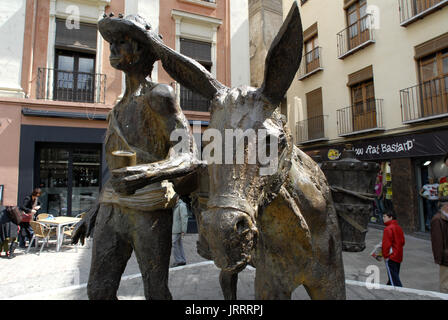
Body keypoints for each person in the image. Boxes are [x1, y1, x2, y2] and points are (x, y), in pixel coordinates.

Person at [71, 14, 201, 300]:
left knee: (155, 291)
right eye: (112, 43)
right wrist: (93, 211)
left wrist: (145, 174)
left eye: (122, 42)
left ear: (142, 50)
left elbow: (187, 156)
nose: (113, 49)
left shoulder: (160, 96)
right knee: (98, 291)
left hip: (148, 208)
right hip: (112, 207)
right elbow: (116, 171)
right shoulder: (116, 108)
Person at [382, 210, 405, 287]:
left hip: (391, 257)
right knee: (393, 275)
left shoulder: (388, 229)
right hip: (398, 255)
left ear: (390, 217)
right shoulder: (398, 227)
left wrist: (385, 256)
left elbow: (386, 245)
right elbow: (402, 242)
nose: (383, 218)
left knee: (394, 280)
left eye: (385, 216)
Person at [430, 201, 448, 293]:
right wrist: (439, 259)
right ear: (445, 206)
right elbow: (437, 242)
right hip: (445, 258)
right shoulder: (437, 220)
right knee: (445, 285)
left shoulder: (445, 217)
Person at [171, 195, 189, 267]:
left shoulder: (181, 206)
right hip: (175, 229)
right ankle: (182, 260)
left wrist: (183, 230)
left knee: (174, 244)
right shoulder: (176, 205)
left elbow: (184, 219)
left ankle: (179, 261)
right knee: (179, 244)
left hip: (177, 229)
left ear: (178, 197)